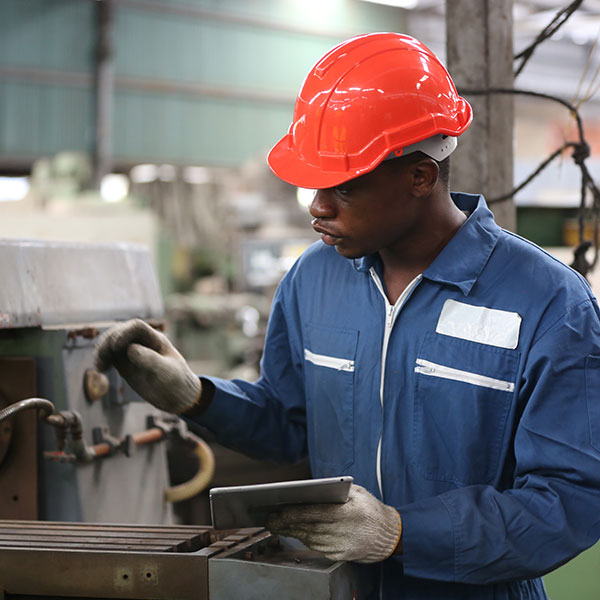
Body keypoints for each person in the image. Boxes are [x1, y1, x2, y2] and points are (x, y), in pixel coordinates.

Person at [94, 33, 600, 599]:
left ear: (419, 177)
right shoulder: (315, 278)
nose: (317, 206)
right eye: (315, 183)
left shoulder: (547, 302)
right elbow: (291, 423)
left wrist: (403, 533)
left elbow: (570, 501)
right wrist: (195, 397)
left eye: (345, 186)